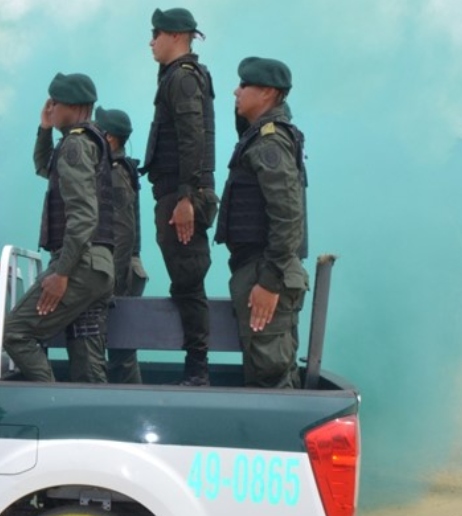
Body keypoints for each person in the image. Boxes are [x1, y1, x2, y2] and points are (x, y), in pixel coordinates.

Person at [3, 72, 116, 383]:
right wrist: (44, 129)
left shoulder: (75, 145)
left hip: (78, 264)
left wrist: (62, 273)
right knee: (86, 358)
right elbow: (44, 167)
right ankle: (88, 421)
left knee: (15, 333)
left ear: (72, 105)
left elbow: (83, 217)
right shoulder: (88, 140)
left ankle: (50, 401)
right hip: (97, 266)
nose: (50, 107)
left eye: (54, 102)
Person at [215, 57, 310, 388]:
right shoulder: (259, 137)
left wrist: (270, 282)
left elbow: (287, 214)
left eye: (244, 85)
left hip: (267, 270)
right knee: (268, 373)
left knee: (270, 379)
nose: (235, 91)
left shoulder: (269, 141)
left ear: (268, 92)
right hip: (262, 268)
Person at [141, 7, 219, 385]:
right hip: (176, 193)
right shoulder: (176, 77)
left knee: (188, 281)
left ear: (175, 35)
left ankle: (197, 370)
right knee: (185, 281)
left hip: (182, 195)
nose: (151, 41)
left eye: (156, 33)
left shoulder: (183, 79)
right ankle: (196, 366)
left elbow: (192, 139)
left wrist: (186, 197)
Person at [94, 107, 149, 384]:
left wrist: (112, 285)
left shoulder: (115, 174)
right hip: (124, 267)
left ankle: (130, 408)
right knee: (119, 349)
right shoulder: (115, 168)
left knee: (121, 351)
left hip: (122, 269)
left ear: (110, 138)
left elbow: (123, 234)